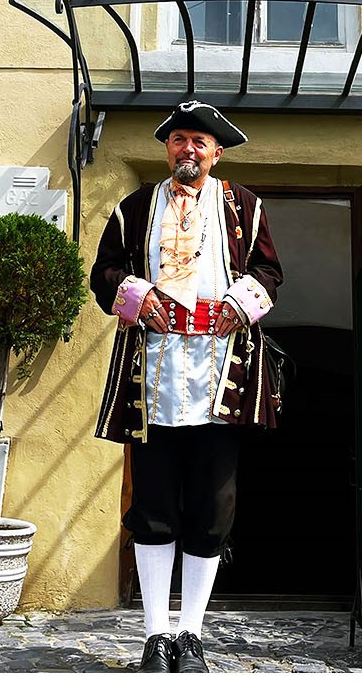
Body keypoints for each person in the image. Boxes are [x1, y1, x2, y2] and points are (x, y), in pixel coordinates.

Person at [90, 101, 282, 673]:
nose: (188, 150)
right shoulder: (132, 208)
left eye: (199, 142)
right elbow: (104, 272)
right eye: (178, 141)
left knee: (212, 506)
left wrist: (241, 306)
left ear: (216, 152)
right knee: (151, 506)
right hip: (153, 377)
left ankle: (191, 635)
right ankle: (154, 636)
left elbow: (270, 273)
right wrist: (133, 294)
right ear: (167, 149)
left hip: (223, 375)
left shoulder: (245, 206)